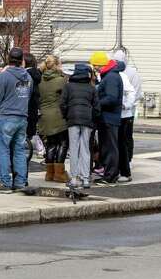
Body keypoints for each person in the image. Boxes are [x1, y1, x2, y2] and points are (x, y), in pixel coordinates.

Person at [0, 47, 33, 192]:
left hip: (6, 116)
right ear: (22, 61)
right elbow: (29, 96)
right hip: (22, 116)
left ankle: (5, 182)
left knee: (3, 150)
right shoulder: (28, 77)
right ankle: (21, 182)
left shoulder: (4, 76)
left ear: (9, 60)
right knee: (20, 150)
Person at [60, 62, 99, 198]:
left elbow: (62, 104)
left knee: (74, 148)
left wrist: (66, 115)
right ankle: (86, 178)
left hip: (72, 119)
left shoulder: (68, 86)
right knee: (85, 149)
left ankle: (75, 177)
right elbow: (96, 107)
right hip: (87, 120)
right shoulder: (91, 88)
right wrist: (93, 120)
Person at [93, 51, 124, 185]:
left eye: (95, 66)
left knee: (110, 147)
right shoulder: (111, 75)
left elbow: (111, 98)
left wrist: (97, 104)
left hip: (109, 118)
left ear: (100, 65)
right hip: (109, 117)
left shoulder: (110, 77)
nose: (95, 69)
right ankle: (110, 174)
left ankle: (110, 176)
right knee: (108, 147)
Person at [37, 55, 69, 183]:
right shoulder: (61, 80)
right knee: (63, 143)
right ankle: (59, 173)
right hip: (58, 115)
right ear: (56, 65)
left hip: (44, 116)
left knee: (50, 144)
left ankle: (49, 173)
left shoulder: (40, 80)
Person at [113, 49, 140, 183]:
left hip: (126, 113)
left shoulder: (129, 74)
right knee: (120, 141)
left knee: (124, 140)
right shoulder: (118, 74)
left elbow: (134, 92)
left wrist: (128, 105)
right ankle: (121, 165)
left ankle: (127, 162)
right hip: (120, 112)